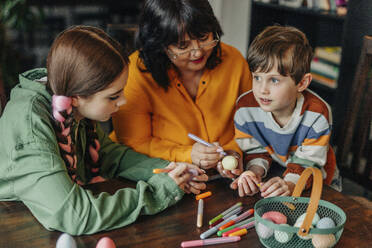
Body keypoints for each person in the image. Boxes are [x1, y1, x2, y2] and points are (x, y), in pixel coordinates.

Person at [0, 25, 208, 235]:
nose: (124, 101)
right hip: (17, 226)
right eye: (113, 96)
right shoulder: (30, 128)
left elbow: (109, 155)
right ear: (77, 97)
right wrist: (157, 192)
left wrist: (171, 170)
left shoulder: (68, 97)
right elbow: (75, 215)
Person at [110, 0, 252, 178]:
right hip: (156, 174)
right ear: (160, 44)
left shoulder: (234, 61)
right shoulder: (136, 73)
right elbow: (134, 143)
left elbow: (250, 125)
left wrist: (233, 153)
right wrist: (188, 154)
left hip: (221, 178)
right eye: (182, 46)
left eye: (203, 38)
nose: (198, 52)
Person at [230, 25, 341, 198]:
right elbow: (256, 151)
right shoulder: (245, 108)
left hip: (319, 184)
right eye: (257, 77)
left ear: (302, 83)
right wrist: (254, 173)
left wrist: (289, 185)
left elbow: (308, 165)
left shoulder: (316, 114)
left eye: (274, 80)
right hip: (279, 173)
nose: (262, 90)